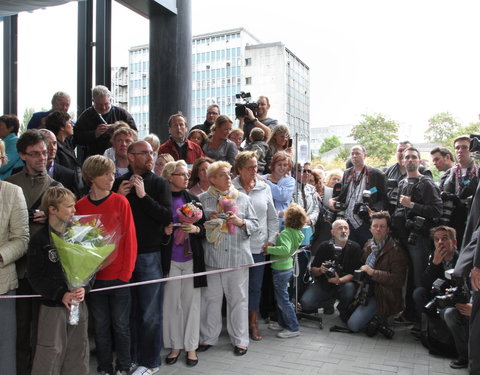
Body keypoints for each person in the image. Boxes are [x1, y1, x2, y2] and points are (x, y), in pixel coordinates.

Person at [113, 141, 172, 374]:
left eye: (151, 152)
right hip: (123, 256)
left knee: (149, 312)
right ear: (130, 156)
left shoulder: (158, 183)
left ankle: (150, 362)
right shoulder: (119, 183)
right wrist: (118, 197)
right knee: (127, 313)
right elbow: (110, 219)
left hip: (149, 254)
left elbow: (166, 216)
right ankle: (130, 360)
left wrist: (143, 196)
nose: (150, 157)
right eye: (144, 153)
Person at [5, 129, 61, 375]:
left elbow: (70, 225)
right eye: (35, 153)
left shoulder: (57, 187)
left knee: (44, 330)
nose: (42, 158)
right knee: (19, 329)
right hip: (17, 267)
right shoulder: (9, 186)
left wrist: (52, 217)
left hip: (46, 269)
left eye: (45, 153)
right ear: (22, 155)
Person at [75, 155, 137, 375]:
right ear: (91, 177)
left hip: (119, 275)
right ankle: (104, 367)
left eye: (113, 173)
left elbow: (130, 238)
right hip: (93, 279)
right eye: (106, 174)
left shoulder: (121, 202)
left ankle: (124, 365)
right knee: (100, 326)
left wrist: (126, 272)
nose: (113, 177)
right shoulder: (79, 205)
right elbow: (77, 244)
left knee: (121, 325)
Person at [196, 161, 259, 356]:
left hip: (237, 256)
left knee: (238, 300)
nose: (228, 177)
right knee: (210, 299)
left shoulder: (242, 197)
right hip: (212, 257)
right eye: (223, 175)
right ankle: (208, 338)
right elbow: (196, 227)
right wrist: (208, 220)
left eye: (229, 174)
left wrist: (241, 223)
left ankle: (240, 341)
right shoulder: (202, 199)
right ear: (212, 178)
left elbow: (256, 225)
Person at [27, 186, 90, 375]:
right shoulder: (39, 239)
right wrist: (60, 294)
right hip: (53, 306)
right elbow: (35, 276)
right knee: (50, 351)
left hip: (78, 303)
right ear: (52, 210)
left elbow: (91, 268)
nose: (74, 210)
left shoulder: (79, 234)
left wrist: (85, 287)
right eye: (69, 207)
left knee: (77, 350)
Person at [161, 160, 207, 367]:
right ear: (170, 176)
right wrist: (165, 231)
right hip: (169, 259)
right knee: (172, 304)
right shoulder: (161, 199)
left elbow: (205, 228)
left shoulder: (193, 199)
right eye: (181, 174)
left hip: (191, 259)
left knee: (192, 304)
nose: (186, 177)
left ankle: (191, 347)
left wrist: (196, 230)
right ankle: (175, 345)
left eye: (187, 174)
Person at [392, 146, 442, 322]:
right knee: (407, 278)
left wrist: (412, 205)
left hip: (419, 238)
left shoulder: (427, 183)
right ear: (403, 161)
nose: (410, 160)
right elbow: (400, 209)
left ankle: (424, 322)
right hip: (404, 236)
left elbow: (437, 210)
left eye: (414, 157)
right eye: (407, 157)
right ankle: (409, 314)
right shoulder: (402, 183)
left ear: (419, 161)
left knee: (420, 279)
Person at [232, 151, 278, 341]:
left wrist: (272, 239)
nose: (254, 170)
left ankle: (253, 323)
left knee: (255, 287)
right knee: (236, 288)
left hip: (258, 246)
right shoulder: (231, 187)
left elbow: (272, 217)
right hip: (236, 245)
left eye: (256, 166)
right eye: (250, 167)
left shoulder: (264, 187)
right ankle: (237, 324)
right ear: (239, 169)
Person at [347, 211, 408, 336]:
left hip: (384, 296)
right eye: (375, 226)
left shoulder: (396, 250)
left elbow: (398, 280)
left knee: (353, 325)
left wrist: (373, 273)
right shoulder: (368, 244)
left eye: (382, 226)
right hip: (367, 290)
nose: (378, 229)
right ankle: (374, 319)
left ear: (388, 229)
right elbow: (362, 265)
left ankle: (382, 318)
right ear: (370, 229)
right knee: (345, 316)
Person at [300, 219, 362, 319]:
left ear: (349, 231)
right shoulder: (324, 246)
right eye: (340, 228)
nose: (343, 231)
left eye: (346, 228)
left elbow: (354, 274)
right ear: (332, 232)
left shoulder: (355, 248)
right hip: (324, 284)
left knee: (350, 288)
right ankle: (327, 303)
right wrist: (320, 270)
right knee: (305, 303)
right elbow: (313, 270)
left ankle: (343, 309)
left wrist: (339, 280)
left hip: (343, 284)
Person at [329, 145, 387, 248]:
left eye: (357, 153)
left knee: (367, 250)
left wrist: (374, 210)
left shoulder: (376, 174)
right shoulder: (347, 173)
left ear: (365, 155)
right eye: (352, 154)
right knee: (350, 252)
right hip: (347, 221)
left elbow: (383, 198)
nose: (354, 156)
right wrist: (332, 201)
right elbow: (342, 195)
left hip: (365, 222)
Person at [265, 203, 307, 338]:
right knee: (281, 297)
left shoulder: (286, 233)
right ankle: (282, 322)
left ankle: (293, 327)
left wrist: (269, 249)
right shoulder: (297, 233)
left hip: (280, 269)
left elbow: (285, 250)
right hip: (287, 268)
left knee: (283, 299)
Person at [0, 178, 29, 375]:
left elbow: (21, 239)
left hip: (3, 284)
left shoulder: (12, 192)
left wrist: (0, 256)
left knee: (5, 348)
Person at [74, 85, 137, 161]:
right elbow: (77, 137)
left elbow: (134, 133)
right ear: (93, 101)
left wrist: (117, 127)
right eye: (99, 105)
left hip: (122, 157)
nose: (103, 107)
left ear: (110, 100)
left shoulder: (121, 113)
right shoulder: (86, 115)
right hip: (96, 158)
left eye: (106, 104)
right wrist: (95, 134)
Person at [442, 136, 478, 248]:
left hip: (471, 222)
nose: (460, 151)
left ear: (471, 150)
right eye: (457, 148)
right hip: (450, 223)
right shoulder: (449, 173)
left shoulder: (477, 172)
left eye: (464, 147)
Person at [39, 129, 79, 197]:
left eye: (54, 143)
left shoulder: (68, 175)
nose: (53, 147)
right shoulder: (19, 174)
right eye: (47, 143)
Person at [45, 111, 82, 181]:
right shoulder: (53, 149)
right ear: (62, 127)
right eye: (70, 122)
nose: (73, 125)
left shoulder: (67, 142)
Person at [262, 152, 295, 229]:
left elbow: (282, 195)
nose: (282, 167)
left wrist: (266, 183)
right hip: (264, 221)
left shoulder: (290, 180)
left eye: (285, 165)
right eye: (279, 164)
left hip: (281, 223)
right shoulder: (262, 178)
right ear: (273, 165)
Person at [0, 114, 24, 179]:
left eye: (0, 125)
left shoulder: (15, 142)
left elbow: (3, 166)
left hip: (8, 184)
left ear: (10, 128)